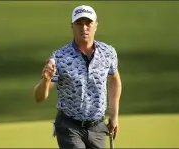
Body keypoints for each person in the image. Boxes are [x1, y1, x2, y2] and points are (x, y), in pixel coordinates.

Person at [33, 5, 122, 149]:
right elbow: (39, 97)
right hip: (69, 127)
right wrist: (46, 80)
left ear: (96, 26)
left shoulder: (108, 53)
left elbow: (114, 81)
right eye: (79, 24)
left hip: (97, 127)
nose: (84, 28)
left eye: (88, 23)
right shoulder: (60, 57)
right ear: (72, 27)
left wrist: (113, 116)